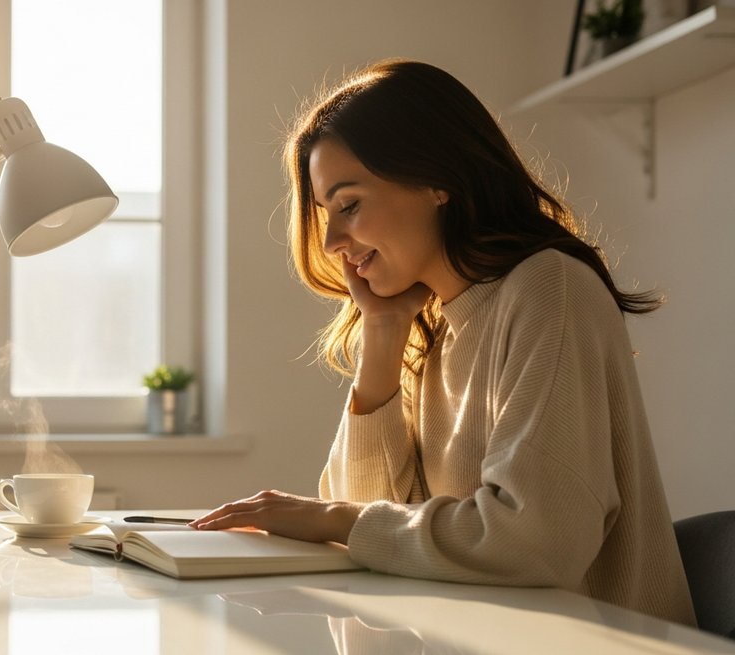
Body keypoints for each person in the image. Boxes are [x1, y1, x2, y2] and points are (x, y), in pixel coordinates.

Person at [190, 59, 695, 626]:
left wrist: (331, 518)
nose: (332, 241)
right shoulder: (431, 326)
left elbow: (537, 540)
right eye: (324, 213)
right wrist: (383, 335)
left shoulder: (548, 288)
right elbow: (370, 527)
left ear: (437, 180)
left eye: (349, 204)